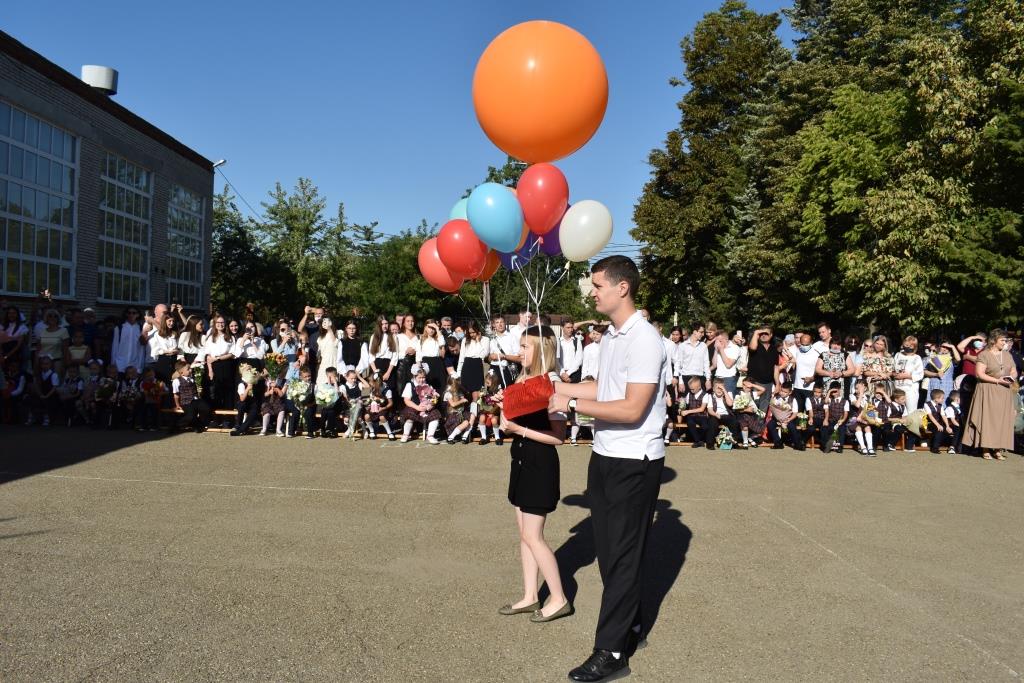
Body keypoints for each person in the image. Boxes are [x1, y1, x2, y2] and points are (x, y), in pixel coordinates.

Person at [549, 255, 668, 683]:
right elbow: (603, 389)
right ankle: (632, 623)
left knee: (620, 556)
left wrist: (573, 405)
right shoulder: (613, 337)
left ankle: (612, 650)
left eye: (598, 285)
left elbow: (633, 407)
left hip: (634, 460)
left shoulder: (645, 339)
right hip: (606, 453)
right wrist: (551, 388)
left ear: (622, 288)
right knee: (611, 551)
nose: (592, 291)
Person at [498, 324, 571, 622]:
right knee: (524, 535)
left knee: (534, 536)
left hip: (540, 462)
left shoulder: (551, 382)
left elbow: (558, 436)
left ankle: (559, 598)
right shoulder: (523, 377)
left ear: (542, 349)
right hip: (521, 459)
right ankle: (530, 596)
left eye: (526, 347)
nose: (520, 352)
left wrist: (519, 428)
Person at [961, 329, 1018, 460]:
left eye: (1006, 340)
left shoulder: (1007, 355)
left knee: (1001, 420)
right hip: (988, 390)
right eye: (1002, 340)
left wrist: (1012, 377)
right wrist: (998, 380)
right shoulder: (984, 354)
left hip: (1004, 391)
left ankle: (998, 449)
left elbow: (1014, 370)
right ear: (994, 340)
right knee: (987, 419)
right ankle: (985, 449)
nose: (1005, 343)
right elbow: (979, 374)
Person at [399, 363, 441, 444]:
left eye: (423, 377)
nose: (422, 379)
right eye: (419, 377)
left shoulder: (428, 386)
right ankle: (406, 434)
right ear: (414, 376)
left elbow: (435, 397)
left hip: (426, 407)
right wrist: (417, 408)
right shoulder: (410, 385)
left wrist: (431, 405)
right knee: (409, 415)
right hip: (414, 406)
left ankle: (430, 436)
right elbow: (406, 400)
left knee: (435, 415)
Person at [171, 359, 210, 433]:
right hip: (186, 402)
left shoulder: (192, 379)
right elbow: (176, 395)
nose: (190, 370)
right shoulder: (177, 381)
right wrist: (177, 405)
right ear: (182, 373)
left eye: (190, 368)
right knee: (191, 416)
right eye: (188, 369)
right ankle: (176, 425)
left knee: (206, 408)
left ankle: (199, 425)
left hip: (196, 400)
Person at [747, 327, 780, 411]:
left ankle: (760, 424)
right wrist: (756, 332)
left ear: (771, 335)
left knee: (764, 407)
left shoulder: (774, 349)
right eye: (761, 333)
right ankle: (751, 424)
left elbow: (776, 367)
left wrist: (777, 383)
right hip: (754, 382)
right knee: (753, 405)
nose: (764, 335)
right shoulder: (755, 345)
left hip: (768, 383)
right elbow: (753, 347)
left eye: (766, 333)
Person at [456, 321, 490, 400]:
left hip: (478, 367)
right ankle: (466, 412)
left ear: (478, 330)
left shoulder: (486, 339)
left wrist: (478, 341)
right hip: (467, 366)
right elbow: (461, 358)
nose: (472, 335)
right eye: (470, 333)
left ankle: (475, 411)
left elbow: (483, 355)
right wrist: (458, 373)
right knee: (465, 393)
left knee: (477, 394)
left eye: (473, 332)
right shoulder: (465, 340)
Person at [110, 307, 146, 379]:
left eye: (134, 313)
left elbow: (141, 348)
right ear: (126, 314)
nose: (131, 315)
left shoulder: (141, 328)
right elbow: (115, 346)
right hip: (120, 364)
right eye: (129, 313)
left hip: (134, 364)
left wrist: (140, 367)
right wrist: (113, 364)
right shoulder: (119, 328)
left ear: (138, 315)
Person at [768, 382, 805, 450]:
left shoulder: (793, 400)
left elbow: (795, 413)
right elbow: (773, 408)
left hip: (788, 419)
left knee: (792, 427)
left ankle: (797, 444)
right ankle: (778, 443)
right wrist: (778, 419)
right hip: (777, 418)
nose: (782, 393)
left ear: (790, 392)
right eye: (781, 390)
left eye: (785, 392)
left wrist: (788, 420)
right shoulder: (776, 397)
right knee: (770, 424)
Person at [674, 323, 710, 391]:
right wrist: (681, 382)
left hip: (700, 378)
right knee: (684, 401)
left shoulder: (703, 346)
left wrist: (708, 379)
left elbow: (706, 364)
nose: (703, 334)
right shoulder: (682, 346)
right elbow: (678, 364)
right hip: (686, 379)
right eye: (701, 332)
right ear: (694, 331)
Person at [892, 336, 925, 411]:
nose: (908, 347)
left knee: (911, 410)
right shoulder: (898, 355)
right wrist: (895, 374)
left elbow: (920, 375)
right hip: (898, 387)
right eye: (906, 345)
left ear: (914, 346)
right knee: (898, 410)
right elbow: (892, 369)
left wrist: (906, 376)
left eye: (910, 345)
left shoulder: (917, 358)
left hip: (910, 389)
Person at [489, 314, 522, 388]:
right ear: (494, 325)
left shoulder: (512, 337)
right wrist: (490, 356)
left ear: (505, 323)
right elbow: (488, 358)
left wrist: (504, 356)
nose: (500, 325)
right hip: (494, 369)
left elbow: (519, 358)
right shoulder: (492, 339)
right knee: (492, 393)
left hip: (507, 369)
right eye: (497, 322)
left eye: (502, 322)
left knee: (507, 393)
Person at [416, 320, 446, 395]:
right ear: (425, 327)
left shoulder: (437, 339)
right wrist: (420, 369)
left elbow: (442, 343)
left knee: (440, 387)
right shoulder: (421, 340)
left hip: (437, 363)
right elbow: (418, 356)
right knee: (427, 387)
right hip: (426, 364)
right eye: (430, 327)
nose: (432, 330)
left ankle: (440, 405)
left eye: (433, 328)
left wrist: (437, 328)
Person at [792, 332, 820, 408]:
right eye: (802, 344)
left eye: (806, 344)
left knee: (809, 411)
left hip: (810, 388)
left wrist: (812, 378)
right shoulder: (798, 351)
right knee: (798, 411)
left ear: (811, 343)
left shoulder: (816, 354)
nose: (804, 346)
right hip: (797, 386)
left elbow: (819, 370)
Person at [443, 375, 474, 444]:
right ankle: (451, 437)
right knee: (466, 423)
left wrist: (462, 397)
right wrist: (461, 401)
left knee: (472, 415)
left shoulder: (458, 391)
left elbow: (463, 399)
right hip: (452, 414)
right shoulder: (448, 393)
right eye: (458, 382)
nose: (460, 383)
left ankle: (465, 436)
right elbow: (453, 404)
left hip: (460, 412)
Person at [922, 388, 953, 454]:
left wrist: (947, 426)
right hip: (928, 423)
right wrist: (938, 425)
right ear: (936, 399)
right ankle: (935, 448)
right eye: (942, 398)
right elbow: (930, 416)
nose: (943, 400)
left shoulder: (940, 406)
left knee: (945, 430)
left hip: (937, 423)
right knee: (939, 429)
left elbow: (943, 416)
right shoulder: (927, 404)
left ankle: (949, 445)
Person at [822, 384, 849, 453]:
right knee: (825, 428)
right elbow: (825, 402)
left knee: (842, 429)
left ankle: (840, 446)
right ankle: (826, 446)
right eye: (832, 392)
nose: (834, 394)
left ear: (839, 391)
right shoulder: (830, 400)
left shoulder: (845, 401)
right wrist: (829, 392)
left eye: (836, 391)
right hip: (831, 420)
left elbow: (846, 413)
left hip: (840, 420)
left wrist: (842, 420)